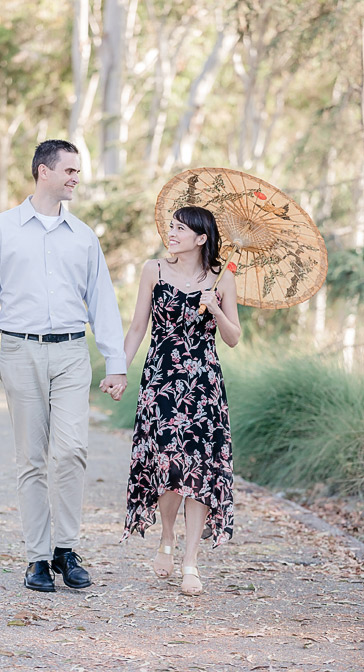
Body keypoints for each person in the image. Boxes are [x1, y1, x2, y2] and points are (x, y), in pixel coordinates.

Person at [0, 139, 128, 593]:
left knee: (72, 450)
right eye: (70, 170)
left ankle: (66, 549)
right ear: (43, 171)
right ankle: (37, 557)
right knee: (31, 459)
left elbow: (103, 301)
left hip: (73, 353)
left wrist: (115, 363)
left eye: (78, 171)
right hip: (19, 351)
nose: (76, 178)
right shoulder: (1, 229)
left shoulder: (84, 236)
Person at [119, 206, 241, 596]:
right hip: (162, 380)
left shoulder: (222, 280)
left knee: (200, 470)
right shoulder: (153, 270)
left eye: (180, 229)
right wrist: (118, 370)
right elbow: (138, 325)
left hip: (204, 383)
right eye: (170, 227)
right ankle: (166, 538)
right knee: (169, 465)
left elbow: (234, 337)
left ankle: (190, 561)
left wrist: (217, 305)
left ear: (201, 238)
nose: (171, 234)